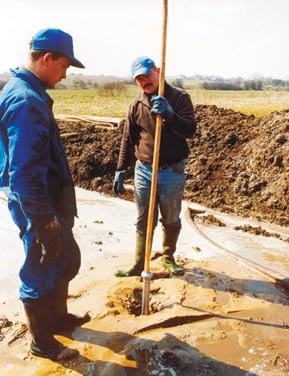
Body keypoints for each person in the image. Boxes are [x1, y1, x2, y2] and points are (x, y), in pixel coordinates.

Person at [0, 28, 89, 361]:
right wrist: (43, 220)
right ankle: (42, 341)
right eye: (64, 66)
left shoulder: (26, 92)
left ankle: (58, 319)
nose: (65, 75)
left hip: (48, 199)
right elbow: (23, 173)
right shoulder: (26, 100)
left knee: (63, 258)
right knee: (40, 265)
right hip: (38, 203)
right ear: (48, 58)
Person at [113, 56, 196, 277]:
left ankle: (168, 258)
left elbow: (190, 130)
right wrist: (121, 168)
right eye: (138, 78)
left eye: (146, 75)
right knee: (143, 218)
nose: (144, 81)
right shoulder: (136, 105)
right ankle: (139, 263)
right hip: (144, 170)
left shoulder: (179, 98)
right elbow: (128, 139)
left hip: (172, 169)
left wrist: (170, 115)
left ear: (158, 71)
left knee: (170, 218)